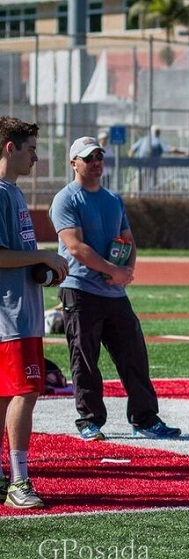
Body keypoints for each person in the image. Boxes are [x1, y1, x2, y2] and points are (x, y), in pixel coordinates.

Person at [49, 136, 181, 441]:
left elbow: (128, 240)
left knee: (134, 355)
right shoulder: (66, 199)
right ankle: (89, 419)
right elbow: (75, 246)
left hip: (114, 293)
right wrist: (113, 270)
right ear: (74, 163)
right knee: (85, 358)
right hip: (80, 289)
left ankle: (145, 419)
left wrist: (127, 271)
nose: (96, 162)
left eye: (99, 156)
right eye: (88, 158)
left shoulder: (113, 199)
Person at [0, 116, 69, 509]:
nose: (37, 158)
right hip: (10, 316)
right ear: (10, 148)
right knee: (25, 392)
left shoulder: (12, 192)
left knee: (4, 395)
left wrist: (43, 269)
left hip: (18, 310)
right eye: (31, 149)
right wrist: (43, 256)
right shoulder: (0, 194)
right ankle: (19, 481)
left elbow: (17, 256)